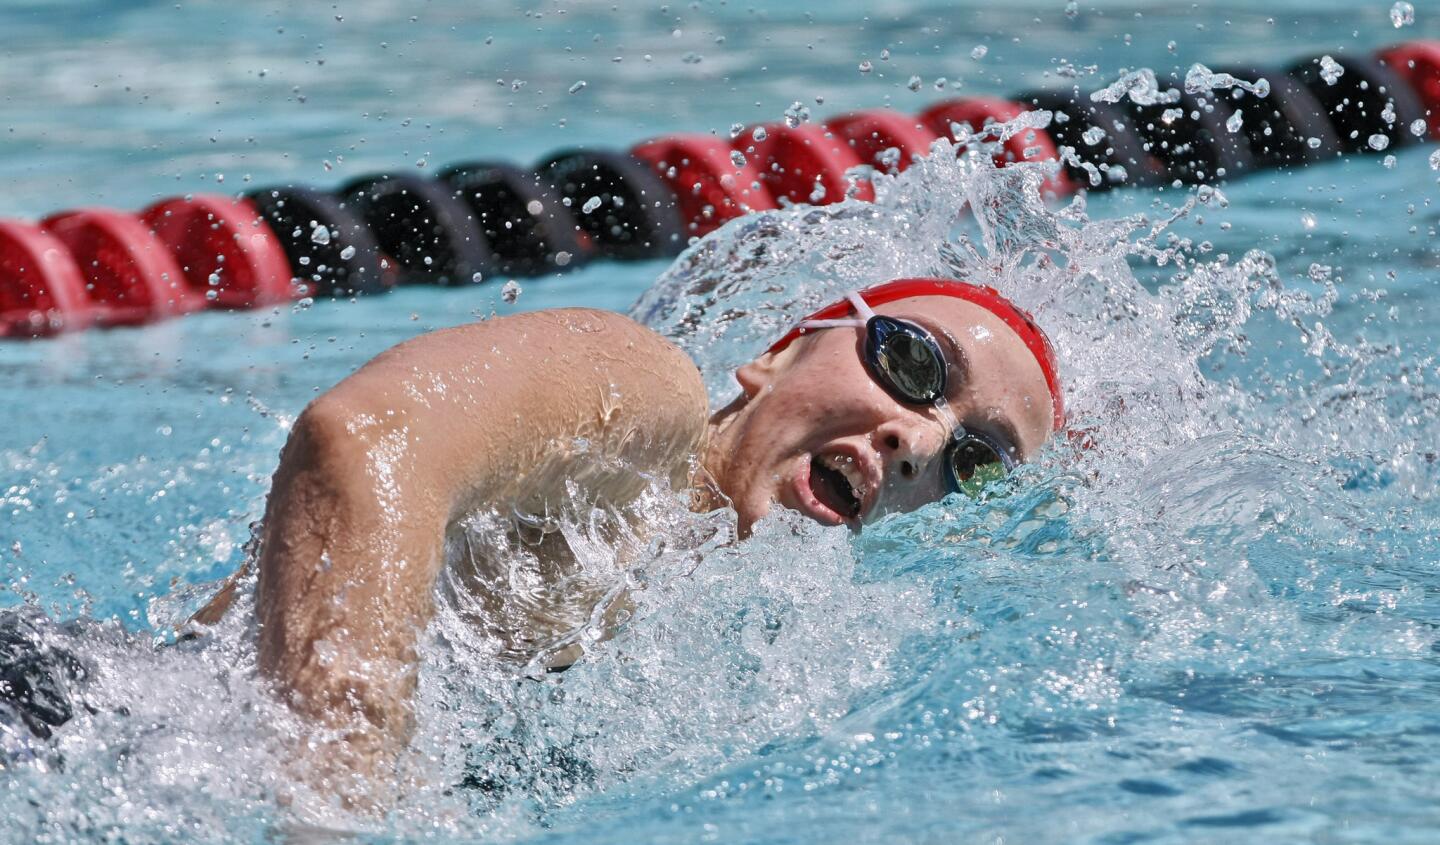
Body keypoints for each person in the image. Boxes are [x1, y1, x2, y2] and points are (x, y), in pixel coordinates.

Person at [193, 276, 1064, 794]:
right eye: (912, 363)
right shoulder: (644, 404)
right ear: (782, 350)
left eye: (975, 461)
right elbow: (361, 437)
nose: (921, 443)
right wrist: (333, 796)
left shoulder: (759, 662)